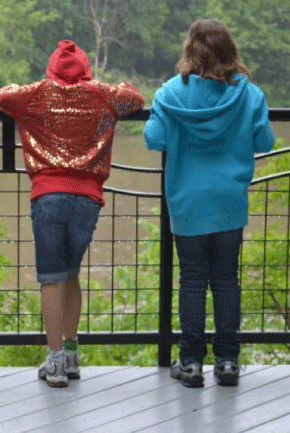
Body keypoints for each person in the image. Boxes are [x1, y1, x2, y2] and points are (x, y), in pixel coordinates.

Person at [0, 40, 144, 387]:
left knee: (51, 277)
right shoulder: (102, 95)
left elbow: (1, 97)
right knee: (71, 272)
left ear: (51, 68)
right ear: (86, 68)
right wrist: (95, 86)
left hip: (48, 195)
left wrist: (42, 85)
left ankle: (56, 360)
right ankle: (72, 353)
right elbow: (135, 98)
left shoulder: (36, 94)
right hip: (88, 199)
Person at [144, 19, 275, 388]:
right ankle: (228, 362)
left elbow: (153, 139)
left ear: (191, 50)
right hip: (229, 201)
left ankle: (189, 363)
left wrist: (166, 121)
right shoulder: (250, 95)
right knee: (226, 280)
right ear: (230, 51)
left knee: (192, 280)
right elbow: (265, 141)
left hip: (188, 202)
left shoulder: (170, 94)